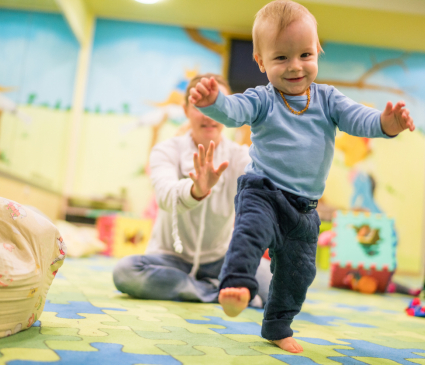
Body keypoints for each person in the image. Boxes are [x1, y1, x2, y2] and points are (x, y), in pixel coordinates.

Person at [188, 0, 415, 354]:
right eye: (281, 58)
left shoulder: (329, 99)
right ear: (261, 62)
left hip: (305, 210)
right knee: (250, 234)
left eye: (305, 54)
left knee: (298, 274)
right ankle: (236, 286)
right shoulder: (264, 99)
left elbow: (361, 119)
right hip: (262, 191)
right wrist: (214, 101)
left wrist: (388, 124)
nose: (295, 67)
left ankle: (277, 326)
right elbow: (234, 111)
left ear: (318, 51)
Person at [113, 73, 272, 308]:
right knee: (125, 272)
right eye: (201, 105)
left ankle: (199, 288)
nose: (209, 114)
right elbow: (166, 197)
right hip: (169, 257)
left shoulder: (240, 156)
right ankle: (217, 292)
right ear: (186, 109)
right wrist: (196, 190)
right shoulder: (166, 151)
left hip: (222, 257)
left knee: (278, 286)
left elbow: (263, 197)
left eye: (217, 105)